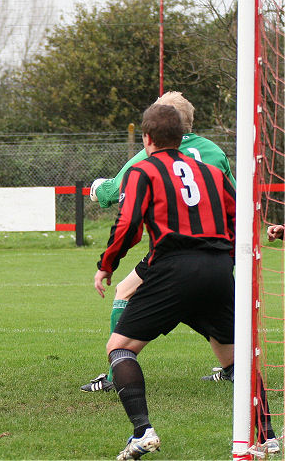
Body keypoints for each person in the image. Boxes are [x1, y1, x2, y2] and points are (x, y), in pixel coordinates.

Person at [94, 103, 277, 458]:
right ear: (182, 136)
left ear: (147, 138)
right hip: (218, 270)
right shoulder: (210, 170)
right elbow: (238, 216)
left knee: (120, 347)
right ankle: (267, 434)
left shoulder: (143, 170)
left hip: (172, 269)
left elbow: (128, 224)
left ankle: (142, 431)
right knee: (234, 359)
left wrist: (107, 264)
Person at [83, 91, 237, 393]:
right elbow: (235, 203)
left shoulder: (147, 159)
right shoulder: (215, 154)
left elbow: (118, 199)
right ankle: (260, 419)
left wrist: (97, 189)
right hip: (217, 255)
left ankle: (119, 383)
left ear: (151, 133)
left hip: (173, 254)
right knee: (207, 307)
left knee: (125, 299)